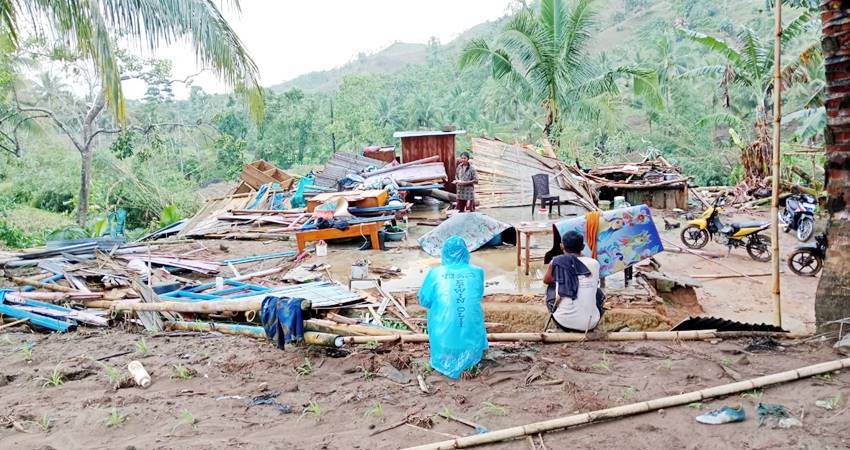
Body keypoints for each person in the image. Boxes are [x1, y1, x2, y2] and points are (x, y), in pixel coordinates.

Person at [418, 236, 488, 379]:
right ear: (466, 253)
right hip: (472, 340)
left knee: (436, 310)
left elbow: (424, 300)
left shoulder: (435, 273)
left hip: (444, 341)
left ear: (444, 253)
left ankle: (447, 356)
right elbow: (478, 295)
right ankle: (470, 357)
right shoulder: (477, 271)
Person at [543, 230, 603, 332]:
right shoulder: (595, 264)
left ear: (562, 246)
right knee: (598, 292)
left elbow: (546, 280)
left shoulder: (556, 262)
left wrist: (564, 279)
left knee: (551, 288)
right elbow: (595, 282)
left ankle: (562, 315)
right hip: (591, 324)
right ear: (583, 247)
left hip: (564, 323)